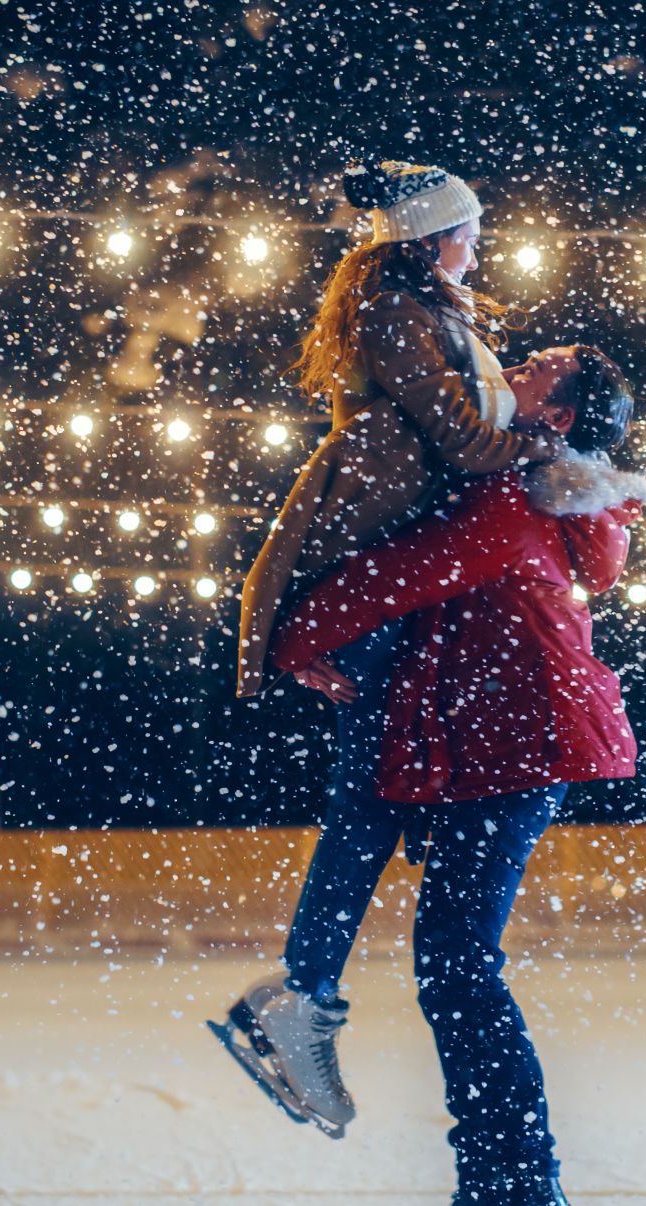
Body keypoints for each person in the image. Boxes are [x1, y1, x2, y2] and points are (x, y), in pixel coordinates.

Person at [265, 350, 646, 1206]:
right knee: (454, 969)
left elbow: (394, 577)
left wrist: (285, 634)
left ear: (555, 411)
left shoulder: (515, 503)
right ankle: (498, 1204)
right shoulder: (540, 497)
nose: (511, 365)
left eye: (538, 365)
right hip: (505, 746)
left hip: (512, 747)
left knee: (459, 971)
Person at [213, 160, 572, 1138]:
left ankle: (302, 996)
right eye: (469, 230)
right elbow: (461, 442)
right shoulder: (395, 313)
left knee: (373, 799)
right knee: (367, 802)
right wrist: (551, 453)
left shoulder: (427, 313)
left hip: (399, 577)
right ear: (431, 240)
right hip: (373, 562)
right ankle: (300, 997)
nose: (478, 246)